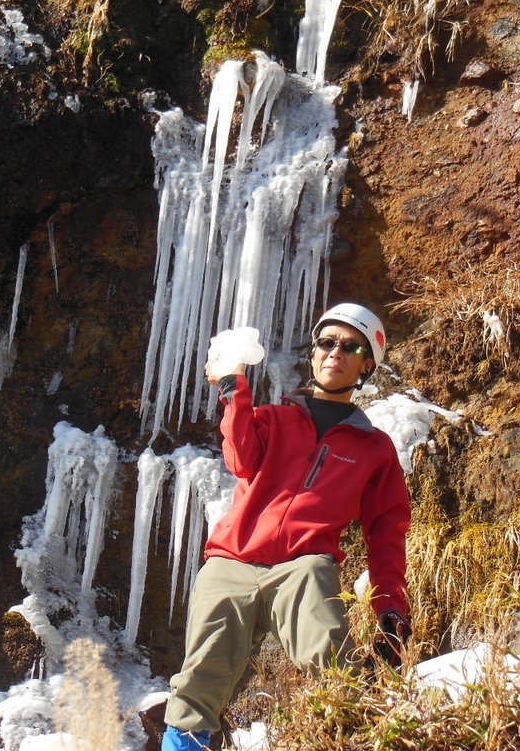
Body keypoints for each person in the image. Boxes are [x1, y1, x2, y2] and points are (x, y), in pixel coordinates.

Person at [161, 303, 412, 751]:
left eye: (350, 346)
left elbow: (387, 531)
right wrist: (232, 388)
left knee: (332, 663)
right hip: (232, 559)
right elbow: (240, 460)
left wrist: (390, 608)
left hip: (303, 566)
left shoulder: (374, 448)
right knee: (200, 681)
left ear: (366, 365)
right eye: (326, 342)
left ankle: (352, 737)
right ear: (314, 353)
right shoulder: (273, 418)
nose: (335, 352)